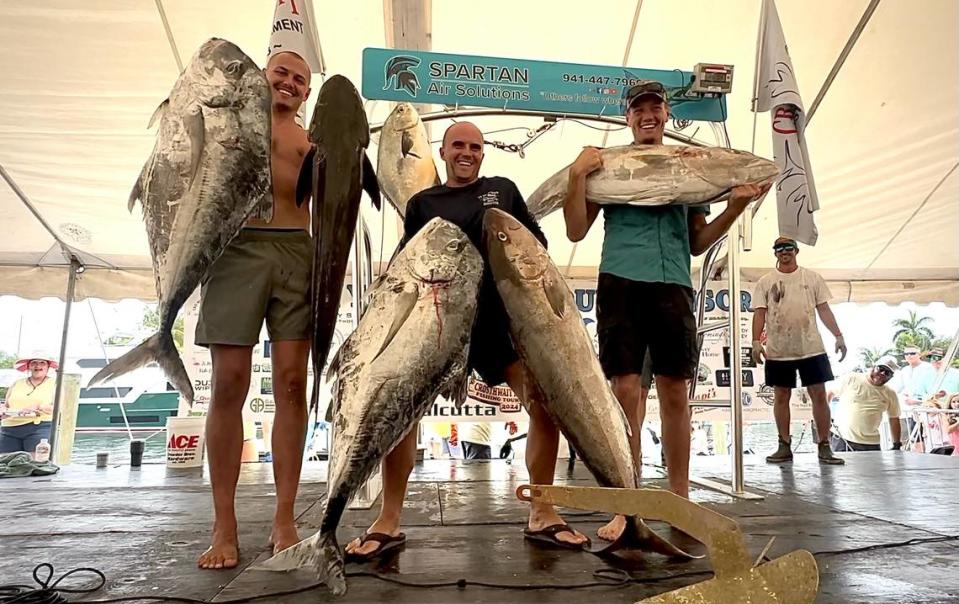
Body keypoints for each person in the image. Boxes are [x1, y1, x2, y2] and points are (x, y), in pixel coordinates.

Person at [344, 121, 590, 561]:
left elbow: (537, 247)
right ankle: (388, 519)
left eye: (475, 146)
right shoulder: (423, 203)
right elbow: (408, 263)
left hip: (500, 325)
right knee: (401, 419)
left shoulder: (504, 191)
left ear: (482, 153)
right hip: (438, 330)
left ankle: (543, 510)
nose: (467, 152)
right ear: (442, 151)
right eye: (458, 145)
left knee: (545, 407)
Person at [562, 80, 769, 541]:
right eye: (639, 109)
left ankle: (679, 499)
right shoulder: (607, 166)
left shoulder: (690, 169)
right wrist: (577, 177)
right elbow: (576, 230)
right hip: (621, 282)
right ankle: (626, 502)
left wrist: (734, 208)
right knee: (626, 391)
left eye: (656, 107)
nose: (648, 115)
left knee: (676, 392)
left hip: (673, 284)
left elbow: (696, 243)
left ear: (666, 114)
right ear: (628, 118)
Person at [195, 51, 313, 570]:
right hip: (235, 247)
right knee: (228, 383)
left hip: (296, 249)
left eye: (299, 79)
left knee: (292, 382)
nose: (288, 82)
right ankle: (225, 524)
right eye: (280, 73)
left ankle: (285, 516)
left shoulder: (314, 140)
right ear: (261, 78)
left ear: (307, 93)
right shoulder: (226, 119)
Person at [751, 237, 847, 465]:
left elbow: (824, 309)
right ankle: (783, 445)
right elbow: (760, 312)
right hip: (779, 349)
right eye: (779, 248)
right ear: (775, 253)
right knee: (781, 395)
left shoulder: (811, 278)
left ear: (796, 250)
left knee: (819, 395)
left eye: (788, 248)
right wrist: (755, 341)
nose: (784, 252)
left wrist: (839, 336)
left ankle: (824, 445)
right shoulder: (766, 281)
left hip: (811, 347)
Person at [828, 357, 902, 452]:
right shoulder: (852, 378)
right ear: (873, 367)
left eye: (887, 372)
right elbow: (829, 394)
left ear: (891, 377)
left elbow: (894, 418)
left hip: (871, 443)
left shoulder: (890, 393)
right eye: (881, 369)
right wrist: (824, 418)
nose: (882, 373)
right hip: (842, 439)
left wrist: (896, 444)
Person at [0, 352, 58, 454]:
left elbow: (60, 408)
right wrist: (3, 409)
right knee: (7, 464)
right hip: (9, 428)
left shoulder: (55, 384)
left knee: (36, 463)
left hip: (39, 427)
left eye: (42, 363)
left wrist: (38, 407)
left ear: (48, 367)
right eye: (34, 363)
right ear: (29, 366)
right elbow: (6, 405)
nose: (38, 366)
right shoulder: (17, 383)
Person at [893, 345, 935, 444]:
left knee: (930, 437)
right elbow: (898, 388)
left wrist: (919, 401)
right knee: (916, 439)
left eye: (912, 353)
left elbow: (933, 389)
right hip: (912, 410)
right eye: (906, 354)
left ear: (919, 354)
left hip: (928, 408)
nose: (909, 356)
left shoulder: (928, 368)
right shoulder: (904, 370)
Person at [944, 392, 959, 457]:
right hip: (955, 442)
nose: (957, 404)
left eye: (958, 401)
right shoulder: (947, 415)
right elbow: (948, 430)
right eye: (953, 402)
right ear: (950, 403)